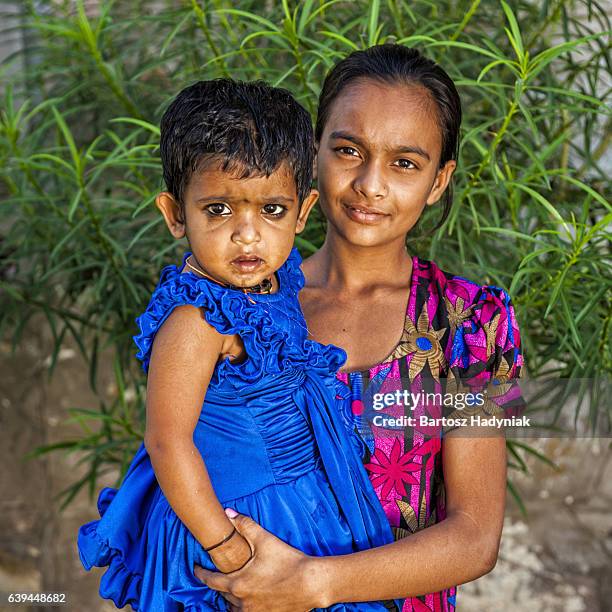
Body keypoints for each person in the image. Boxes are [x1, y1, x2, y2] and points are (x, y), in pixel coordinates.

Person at [195, 45, 525, 611]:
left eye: (405, 163)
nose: (370, 184)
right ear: (313, 154)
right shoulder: (239, 301)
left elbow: (475, 538)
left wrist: (313, 583)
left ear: (439, 180)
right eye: (348, 150)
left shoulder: (475, 323)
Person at [77, 79, 399, 611]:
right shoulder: (194, 318)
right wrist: (228, 551)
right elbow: (167, 442)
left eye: (271, 210)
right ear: (176, 214)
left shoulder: (281, 282)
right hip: (232, 525)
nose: (247, 236)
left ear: (302, 211)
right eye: (219, 210)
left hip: (304, 510)